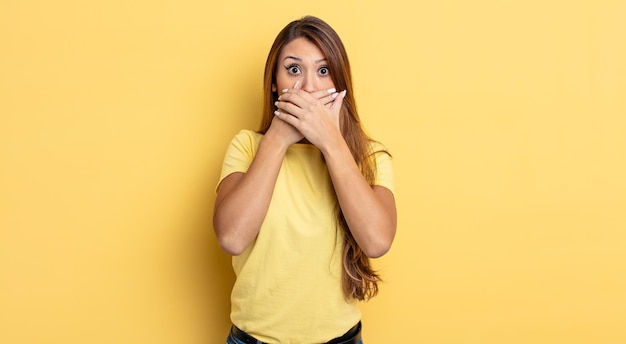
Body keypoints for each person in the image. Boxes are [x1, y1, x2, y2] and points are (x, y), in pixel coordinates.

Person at [214, 15, 397, 344]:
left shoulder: (370, 157)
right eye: (294, 69)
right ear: (274, 82)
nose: (310, 87)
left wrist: (331, 142)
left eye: (323, 70)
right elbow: (231, 237)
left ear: (340, 81)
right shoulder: (247, 146)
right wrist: (277, 138)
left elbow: (377, 242)